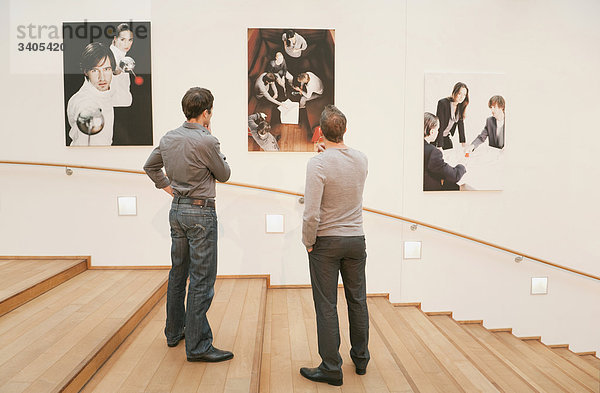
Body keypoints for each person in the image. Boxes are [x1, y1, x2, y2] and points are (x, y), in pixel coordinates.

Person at [143, 87, 233, 363]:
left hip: (178, 211)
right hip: (201, 214)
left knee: (178, 274)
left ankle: (174, 332)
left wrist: (167, 187)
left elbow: (150, 166)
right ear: (206, 112)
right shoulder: (207, 141)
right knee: (202, 280)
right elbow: (224, 174)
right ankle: (198, 346)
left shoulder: (169, 138)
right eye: (211, 112)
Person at [301, 105, 369, 387]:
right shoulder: (361, 159)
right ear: (345, 130)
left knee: (327, 305)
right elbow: (344, 175)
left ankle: (331, 367)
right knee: (358, 300)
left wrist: (308, 241)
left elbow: (312, 212)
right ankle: (361, 359)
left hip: (326, 243)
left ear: (321, 131)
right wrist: (326, 154)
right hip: (356, 240)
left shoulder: (317, 164)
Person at [66, 42, 132, 146]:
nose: (102, 77)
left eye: (106, 69)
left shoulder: (105, 91)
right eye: (95, 70)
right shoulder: (84, 103)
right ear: (86, 71)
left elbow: (125, 101)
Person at [424, 112, 466, 191]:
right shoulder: (432, 152)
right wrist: (462, 165)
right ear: (432, 132)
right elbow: (455, 176)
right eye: (438, 129)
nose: (438, 132)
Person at [434, 82, 469, 150]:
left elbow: (461, 125)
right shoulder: (443, 103)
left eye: (464, 95)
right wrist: (439, 145)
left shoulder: (461, 106)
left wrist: (463, 143)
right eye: (459, 94)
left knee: (450, 153)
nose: (462, 97)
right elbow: (440, 125)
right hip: (436, 137)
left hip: (446, 136)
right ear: (454, 92)